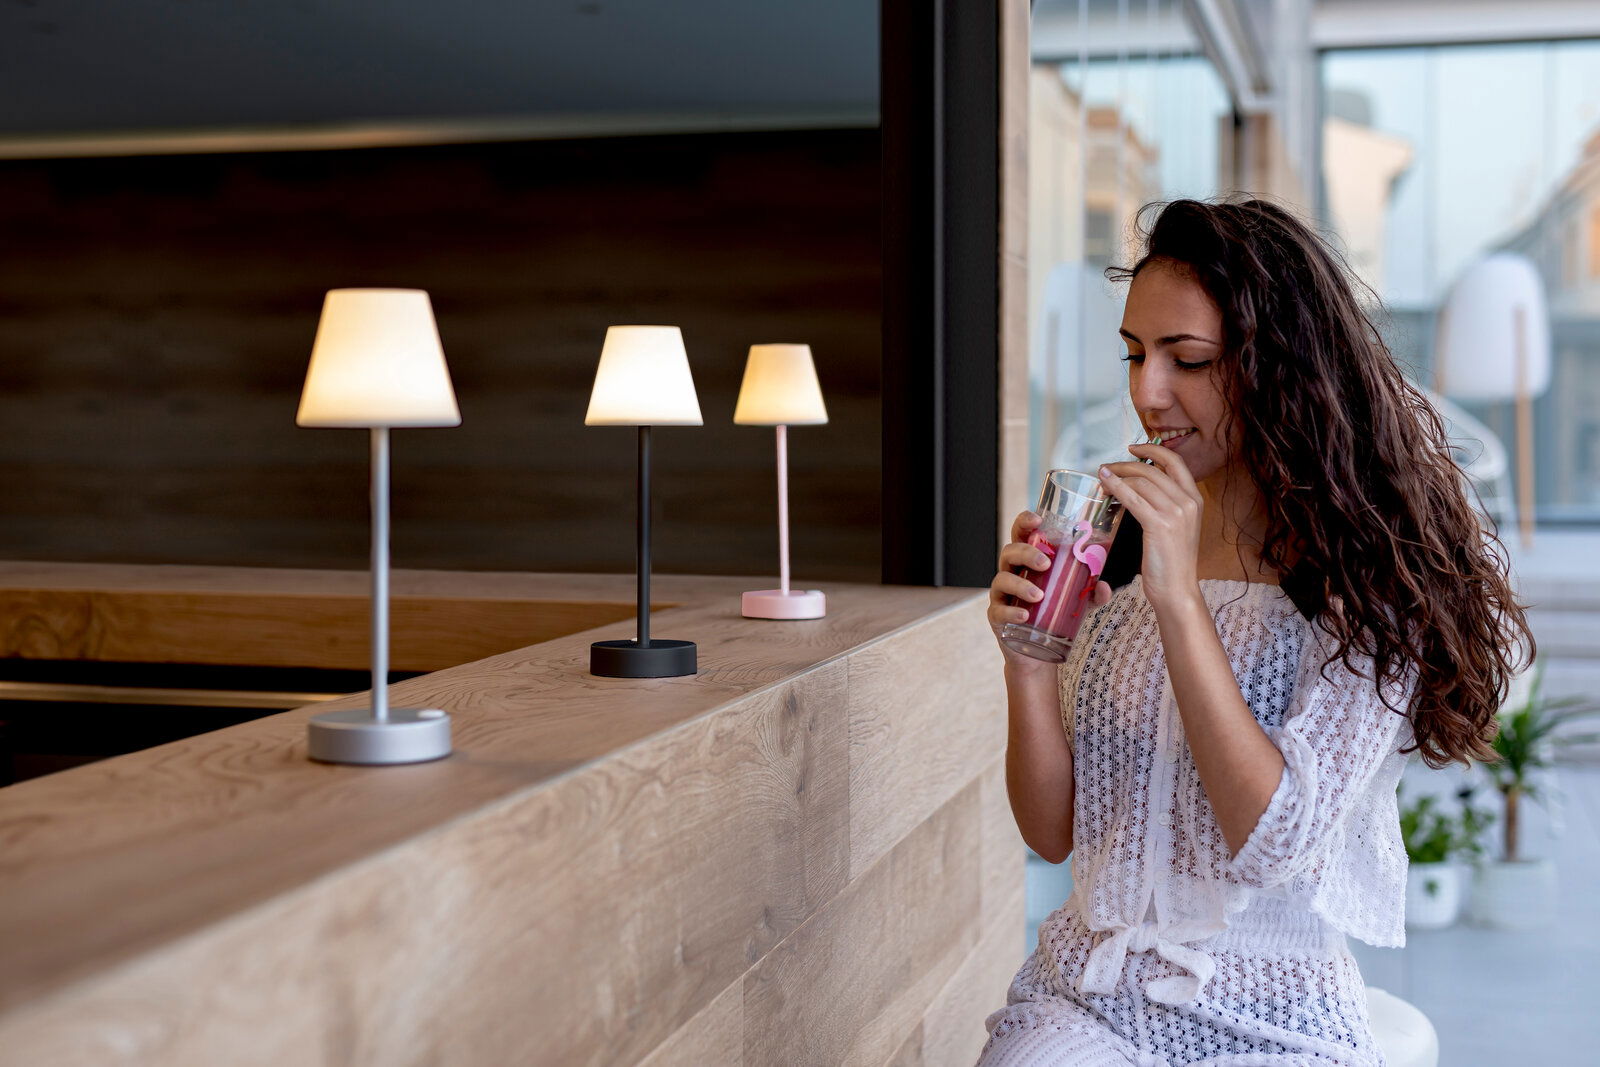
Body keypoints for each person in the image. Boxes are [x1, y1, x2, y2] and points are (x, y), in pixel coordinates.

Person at [975, 198, 1536, 1066]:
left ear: (1278, 364)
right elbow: (1052, 834)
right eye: (1135, 354)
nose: (1147, 391)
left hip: (1276, 1016)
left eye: (1188, 359)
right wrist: (1029, 661)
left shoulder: (1366, 580)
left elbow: (1275, 840)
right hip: (1090, 996)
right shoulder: (1114, 541)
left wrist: (1178, 600)